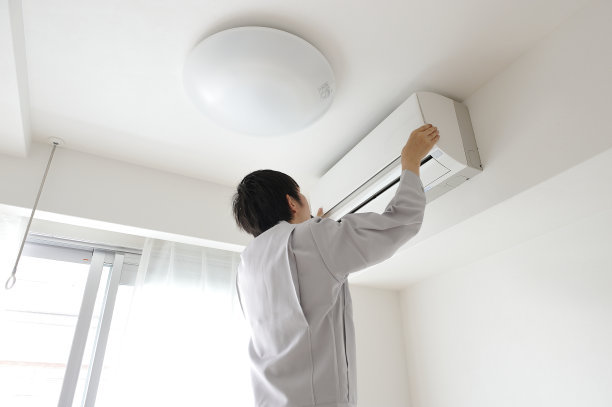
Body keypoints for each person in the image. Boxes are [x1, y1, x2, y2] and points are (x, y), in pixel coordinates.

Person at [232, 124, 440, 407]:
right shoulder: (312, 239)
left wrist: (316, 231)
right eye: (301, 195)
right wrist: (411, 160)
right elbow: (401, 223)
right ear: (291, 202)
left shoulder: (247, 266)